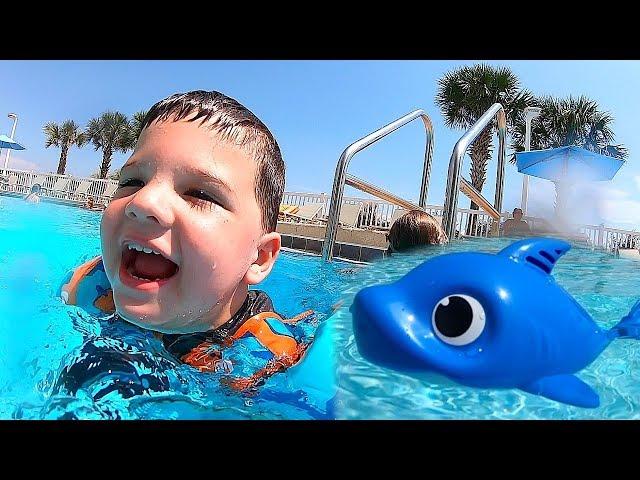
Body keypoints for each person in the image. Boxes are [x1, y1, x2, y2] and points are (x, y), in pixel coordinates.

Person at [58, 90, 317, 399]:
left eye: (200, 194)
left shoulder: (264, 358)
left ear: (259, 257)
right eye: (132, 182)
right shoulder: (90, 283)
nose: (143, 201)